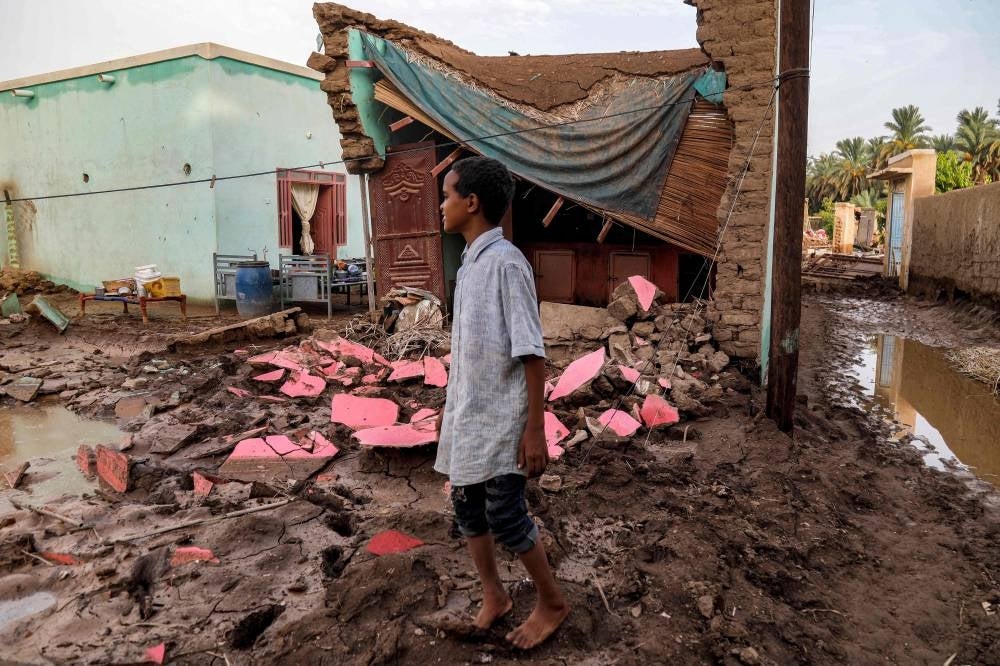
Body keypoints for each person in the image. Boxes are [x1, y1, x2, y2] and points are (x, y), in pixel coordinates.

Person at [434, 156, 569, 649]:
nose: (441, 206)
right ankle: (496, 596)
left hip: (505, 421)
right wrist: (449, 416)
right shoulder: (471, 262)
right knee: (467, 509)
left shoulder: (507, 264)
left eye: (446, 196)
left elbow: (532, 353)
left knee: (506, 514)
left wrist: (535, 428)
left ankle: (552, 601)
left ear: (471, 203)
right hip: (470, 414)